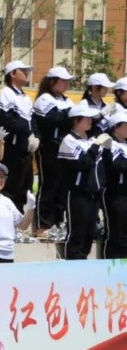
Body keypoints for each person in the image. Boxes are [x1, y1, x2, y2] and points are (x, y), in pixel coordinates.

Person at [57, 102, 105, 261]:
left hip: (93, 194)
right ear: (76, 120)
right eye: (86, 118)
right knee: (77, 233)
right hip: (77, 193)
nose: (91, 120)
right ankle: (72, 265)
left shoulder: (91, 140)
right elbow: (82, 164)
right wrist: (95, 147)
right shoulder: (69, 140)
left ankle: (83, 263)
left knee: (89, 234)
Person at [32, 65, 74, 235]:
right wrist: (68, 114)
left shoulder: (66, 100)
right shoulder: (44, 99)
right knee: (49, 185)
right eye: (63, 81)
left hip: (65, 148)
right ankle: (43, 224)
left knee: (63, 187)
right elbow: (52, 119)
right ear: (52, 82)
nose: (66, 84)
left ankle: (58, 222)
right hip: (49, 147)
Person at [0, 60, 37, 213]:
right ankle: (8, 219)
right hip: (12, 148)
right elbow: (7, 119)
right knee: (11, 187)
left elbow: (32, 120)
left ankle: (18, 219)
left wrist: (36, 136)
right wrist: (27, 133)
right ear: (12, 74)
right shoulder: (5, 93)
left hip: (25, 150)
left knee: (25, 187)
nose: (27, 74)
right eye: (23, 71)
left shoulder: (25, 97)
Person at [100, 109, 127, 259]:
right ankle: (111, 263)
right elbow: (117, 165)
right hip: (116, 193)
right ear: (116, 127)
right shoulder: (111, 144)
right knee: (116, 232)